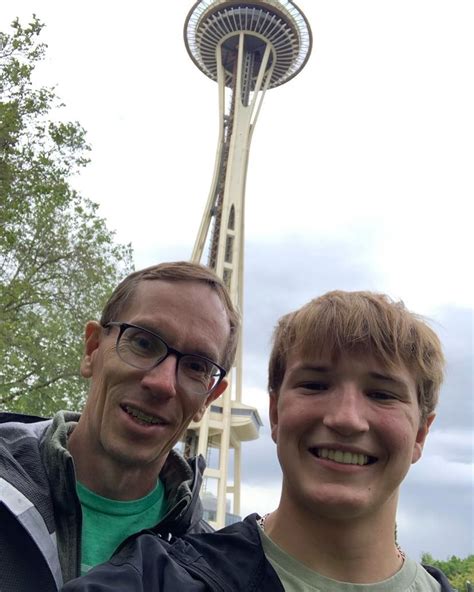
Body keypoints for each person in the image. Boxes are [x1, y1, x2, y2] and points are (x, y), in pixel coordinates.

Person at [62, 290, 454, 591]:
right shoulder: (155, 580)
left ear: (421, 433)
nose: (345, 419)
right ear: (276, 413)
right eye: (315, 385)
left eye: (382, 394)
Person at [0, 261, 239, 592]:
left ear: (208, 399)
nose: (162, 384)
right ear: (92, 349)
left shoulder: (209, 575)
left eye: (197, 366)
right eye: (143, 343)